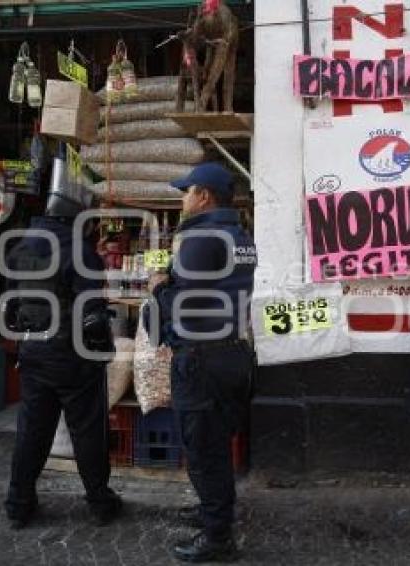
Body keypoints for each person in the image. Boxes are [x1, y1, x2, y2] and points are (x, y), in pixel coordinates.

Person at [2, 143, 121, 529]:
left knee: (32, 431)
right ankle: (100, 502)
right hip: (72, 354)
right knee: (87, 430)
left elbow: (10, 304)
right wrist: (104, 352)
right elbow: (92, 314)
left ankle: (18, 504)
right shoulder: (78, 250)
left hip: (34, 351)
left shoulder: (20, 246)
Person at [144, 162, 256, 562]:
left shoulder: (201, 239)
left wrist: (159, 287)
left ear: (204, 196)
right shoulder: (239, 235)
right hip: (232, 354)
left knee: (204, 449)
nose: (182, 198)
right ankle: (214, 511)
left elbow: (184, 309)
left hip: (202, 361)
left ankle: (217, 538)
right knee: (215, 446)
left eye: (186, 191)